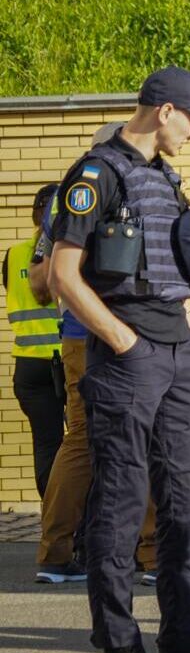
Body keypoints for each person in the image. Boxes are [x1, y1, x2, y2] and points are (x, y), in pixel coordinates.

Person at [48, 67, 190, 653]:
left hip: (178, 347)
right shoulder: (96, 174)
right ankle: (119, 642)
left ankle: (186, 643)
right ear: (164, 111)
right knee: (121, 496)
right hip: (128, 352)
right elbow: (62, 275)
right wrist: (122, 339)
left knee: (185, 500)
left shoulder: (166, 177)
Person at [32, 123, 165, 586]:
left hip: (78, 334)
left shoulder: (64, 197)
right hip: (116, 331)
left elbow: (40, 275)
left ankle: (56, 552)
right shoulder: (112, 184)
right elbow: (50, 278)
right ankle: (150, 556)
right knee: (142, 434)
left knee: (82, 441)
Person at [5, 184, 65, 498]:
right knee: (85, 445)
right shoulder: (68, 249)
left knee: (47, 444)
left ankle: (53, 518)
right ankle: (80, 523)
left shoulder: (13, 255)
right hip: (68, 360)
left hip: (29, 366)